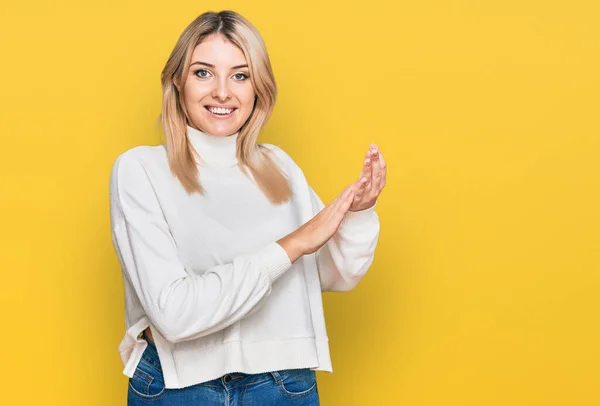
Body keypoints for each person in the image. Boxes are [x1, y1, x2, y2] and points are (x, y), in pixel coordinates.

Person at [109, 9, 386, 406]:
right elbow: (175, 314)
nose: (223, 92)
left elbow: (331, 274)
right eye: (203, 72)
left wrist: (359, 211)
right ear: (177, 80)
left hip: (282, 384)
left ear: (258, 87)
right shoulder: (140, 170)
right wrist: (290, 245)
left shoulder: (278, 166)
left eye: (240, 75)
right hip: (178, 387)